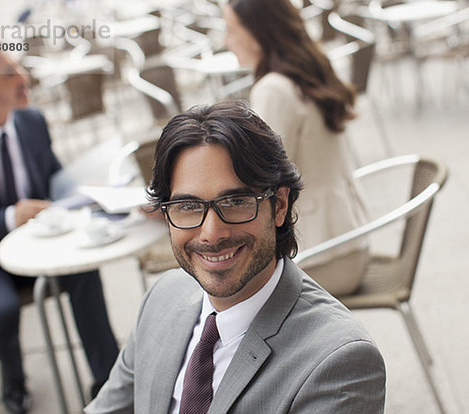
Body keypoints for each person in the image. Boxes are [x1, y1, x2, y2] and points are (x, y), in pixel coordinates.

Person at [85, 101, 385, 413]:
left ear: (280, 205)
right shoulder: (161, 299)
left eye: (236, 201)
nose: (212, 233)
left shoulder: (338, 360)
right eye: (188, 207)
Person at [0, 49, 119, 413]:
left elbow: (54, 180)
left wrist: (88, 192)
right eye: (9, 74)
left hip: (41, 243)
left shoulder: (31, 121)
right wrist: (7, 218)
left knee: (84, 269)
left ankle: (110, 382)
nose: (24, 79)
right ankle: (13, 380)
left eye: (20, 68)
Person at [222, 0, 371, 296]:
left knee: (220, 281)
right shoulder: (309, 69)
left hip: (319, 257)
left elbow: (257, 176)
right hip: (348, 241)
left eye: (231, 30)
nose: (226, 41)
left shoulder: (273, 88)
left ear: (258, 32)